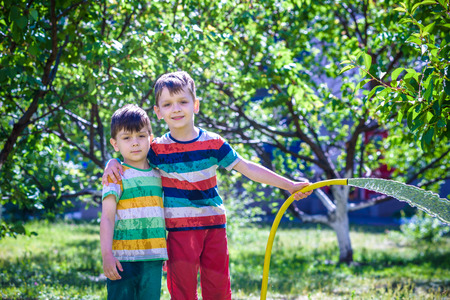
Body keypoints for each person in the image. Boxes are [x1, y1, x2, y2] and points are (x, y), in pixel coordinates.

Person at [102, 71, 311, 300]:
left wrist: (289, 185)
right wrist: (112, 162)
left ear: (196, 104)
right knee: (183, 292)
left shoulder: (213, 143)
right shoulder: (156, 149)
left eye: (183, 101)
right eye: (168, 104)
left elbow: (248, 168)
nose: (176, 108)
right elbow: (132, 154)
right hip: (179, 232)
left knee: (219, 290)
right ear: (158, 112)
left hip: (214, 228)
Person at [100, 104, 167, 300]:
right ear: (115, 144)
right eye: (127, 138)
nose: (135, 143)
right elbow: (107, 218)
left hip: (154, 257)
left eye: (141, 136)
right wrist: (107, 255)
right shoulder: (115, 175)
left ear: (151, 139)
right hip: (123, 259)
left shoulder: (160, 173)